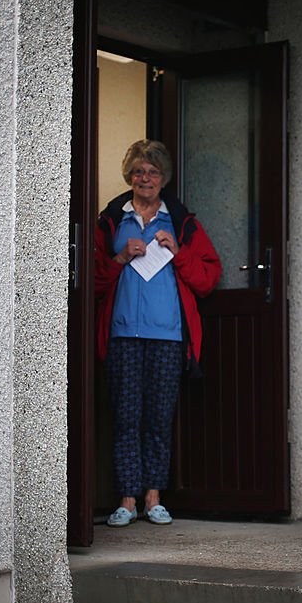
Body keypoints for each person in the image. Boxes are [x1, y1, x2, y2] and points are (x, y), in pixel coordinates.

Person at [95, 140, 221, 527]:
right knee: (126, 415)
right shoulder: (114, 219)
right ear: (129, 176)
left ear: (162, 178)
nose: (145, 178)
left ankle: (154, 498)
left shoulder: (180, 221)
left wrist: (178, 250)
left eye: (152, 172)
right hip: (123, 333)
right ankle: (127, 500)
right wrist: (120, 257)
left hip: (167, 335)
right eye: (138, 171)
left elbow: (208, 278)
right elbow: (92, 277)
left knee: (159, 417)